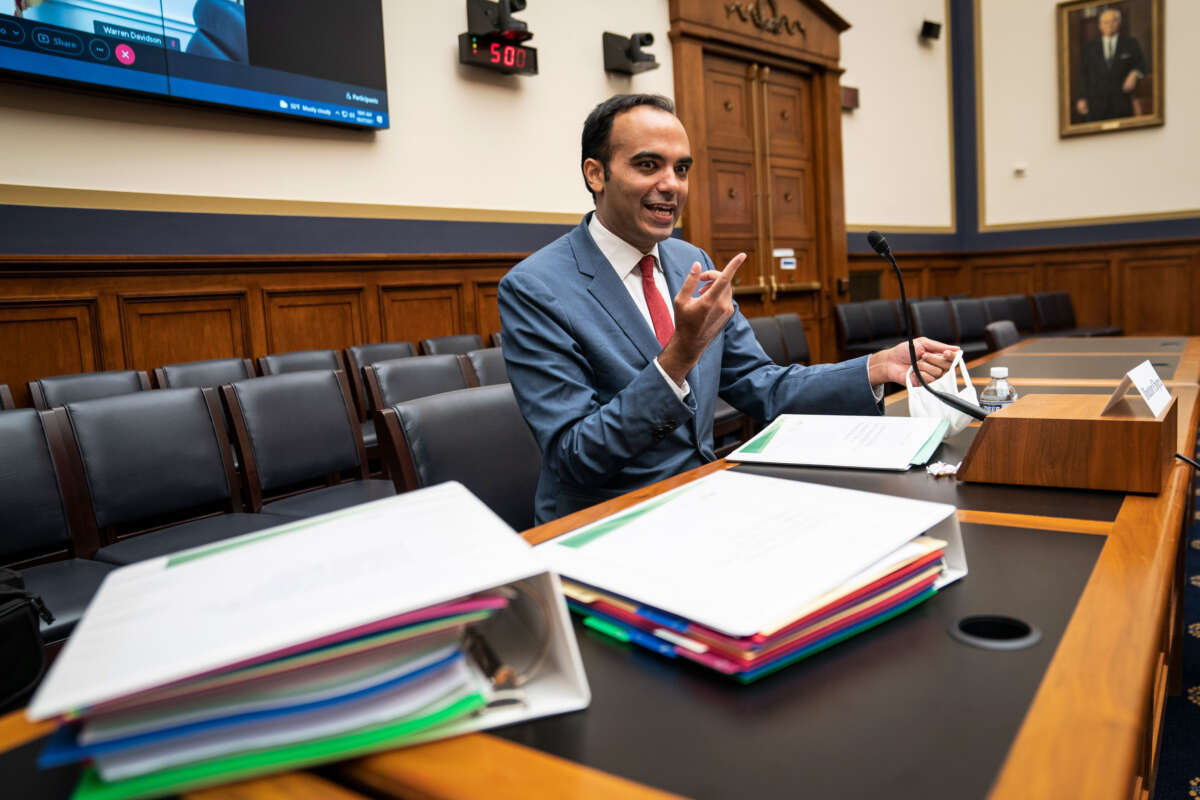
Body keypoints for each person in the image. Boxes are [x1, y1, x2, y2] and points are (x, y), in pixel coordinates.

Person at [498, 94, 958, 523]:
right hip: (608, 519)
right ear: (596, 174)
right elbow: (574, 457)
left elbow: (761, 384)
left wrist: (874, 368)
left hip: (704, 496)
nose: (670, 185)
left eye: (682, 169)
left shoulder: (688, 262)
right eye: (647, 165)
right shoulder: (535, 288)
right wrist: (680, 354)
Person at [1075, 7, 1146, 122]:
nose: (1110, 25)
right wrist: (1081, 98)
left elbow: (1142, 65)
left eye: (1113, 21)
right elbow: (1084, 75)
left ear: (1119, 23)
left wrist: (1134, 74)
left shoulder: (1130, 43)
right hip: (1096, 105)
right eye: (1106, 22)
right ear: (1100, 26)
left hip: (1122, 102)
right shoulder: (1090, 48)